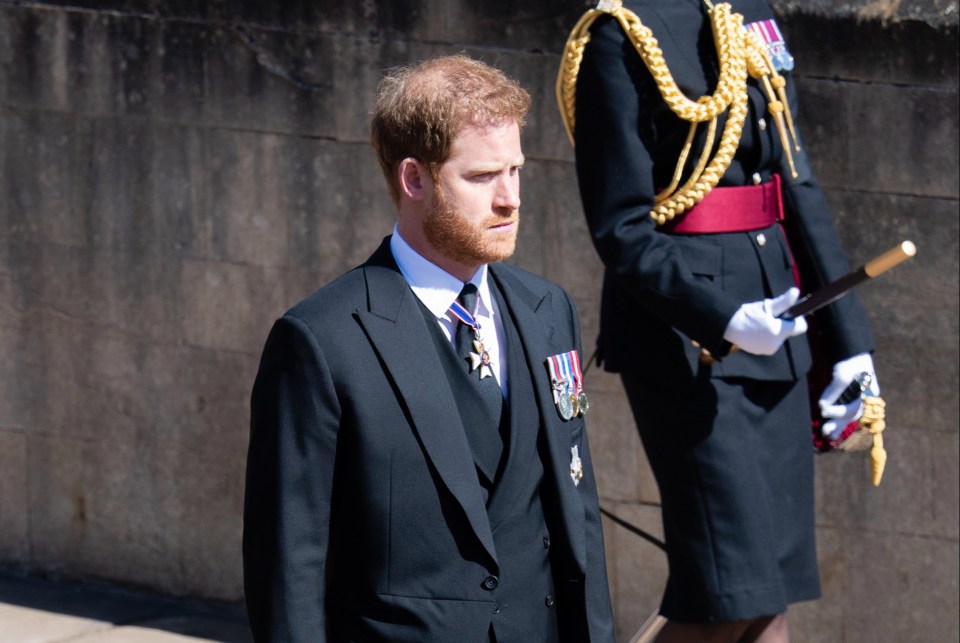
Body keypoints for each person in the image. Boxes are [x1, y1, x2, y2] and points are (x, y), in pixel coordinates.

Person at [243, 54, 615, 642]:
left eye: (515, 171)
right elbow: (289, 562)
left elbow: (577, 512)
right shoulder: (322, 339)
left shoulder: (548, 310)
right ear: (414, 179)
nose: (510, 198)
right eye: (482, 177)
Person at [560, 1, 880, 641]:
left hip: (776, 322)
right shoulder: (619, 36)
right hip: (687, 344)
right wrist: (722, 317)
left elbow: (795, 181)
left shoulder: (746, 11)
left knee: (769, 600)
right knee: (725, 599)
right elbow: (620, 228)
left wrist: (850, 345)